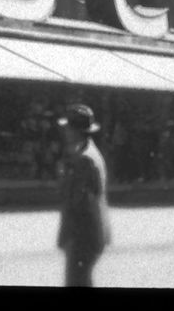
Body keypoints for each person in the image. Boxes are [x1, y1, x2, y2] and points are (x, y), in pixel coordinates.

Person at [57, 104, 111, 289]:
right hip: (90, 234)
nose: (64, 131)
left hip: (83, 235)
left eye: (68, 127)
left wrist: (67, 237)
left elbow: (78, 203)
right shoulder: (88, 153)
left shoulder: (84, 160)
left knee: (76, 282)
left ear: (76, 131)